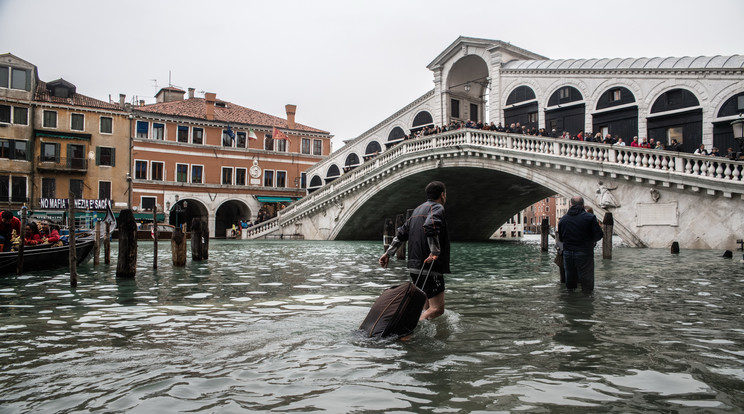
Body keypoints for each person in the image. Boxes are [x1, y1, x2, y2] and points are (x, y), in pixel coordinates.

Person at [379, 181, 450, 320]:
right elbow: (431, 226)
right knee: (437, 309)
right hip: (430, 264)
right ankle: (410, 329)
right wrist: (434, 253)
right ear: (443, 195)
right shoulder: (437, 208)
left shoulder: (417, 210)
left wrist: (388, 253)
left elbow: (401, 234)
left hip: (414, 266)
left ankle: (423, 335)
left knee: (426, 307)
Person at [557, 196, 604, 293]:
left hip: (568, 254)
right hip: (584, 253)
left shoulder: (563, 220)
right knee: (587, 284)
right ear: (583, 205)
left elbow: (560, 239)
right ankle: (587, 302)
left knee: (570, 283)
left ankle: (570, 302)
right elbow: (598, 236)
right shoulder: (590, 218)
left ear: (571, 205)